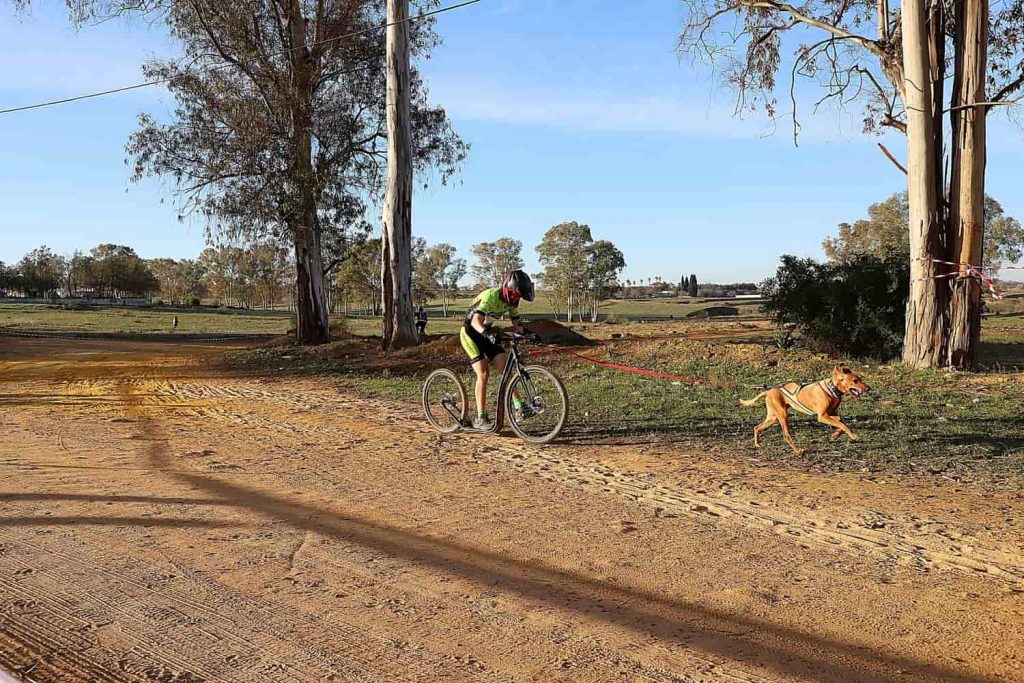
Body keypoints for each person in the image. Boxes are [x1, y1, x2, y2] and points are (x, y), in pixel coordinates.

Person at [460, 270, 535, 430]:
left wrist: (529, 333)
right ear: (508, 288)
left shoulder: (513, 302)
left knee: (506, 369)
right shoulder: (490, 296)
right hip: (471, 334)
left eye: (518, 297)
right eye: (515, 295)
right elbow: (475, 322)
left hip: (488, 334)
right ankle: (481, 417)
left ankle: (519, 407)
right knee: (483, 373)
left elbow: (517, 325)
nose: (516, 299)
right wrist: (487, 333)